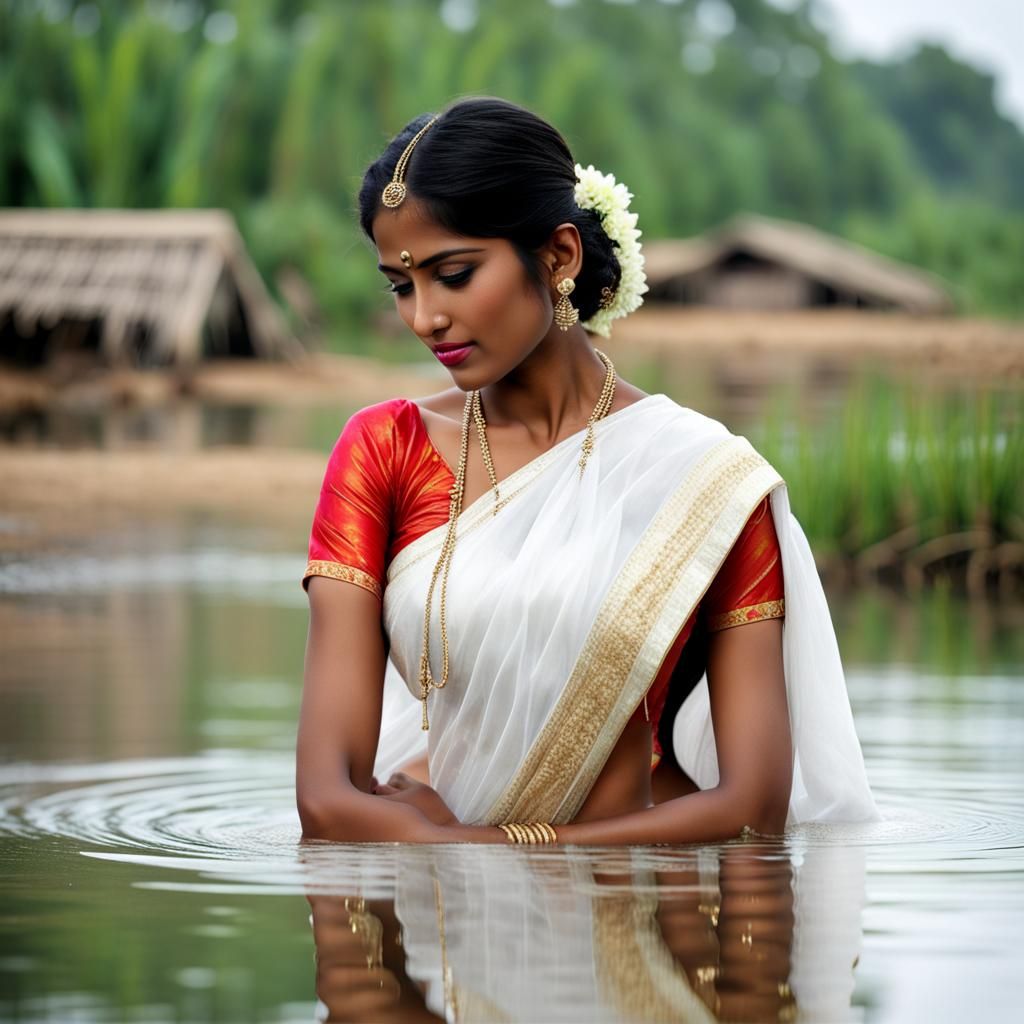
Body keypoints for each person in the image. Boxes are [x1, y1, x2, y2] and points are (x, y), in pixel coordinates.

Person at [295, 96, 877, 847]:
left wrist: (512, 853)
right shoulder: (385, 450)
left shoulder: (702, 477)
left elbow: (754, 805)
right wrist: (477, 864)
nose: (424, 318)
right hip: (449, 930)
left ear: (559, 256)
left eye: (455, 273)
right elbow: (325, 798)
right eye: (403, 285)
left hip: (641, 912)